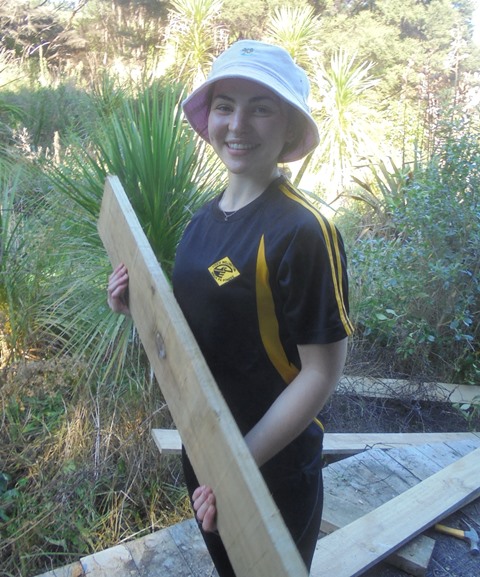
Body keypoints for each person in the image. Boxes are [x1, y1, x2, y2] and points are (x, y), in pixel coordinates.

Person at [107, 40, 354, 576]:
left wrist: (237, 467)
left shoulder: (304, 231)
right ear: (210, 119)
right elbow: (197, 332)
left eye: (260, 108)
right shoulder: (201, 223)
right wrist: (137, 310)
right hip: (206, 451)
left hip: (271, 467)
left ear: (289, 127)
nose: (238, 124)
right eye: (225, 106)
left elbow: (321, 373)